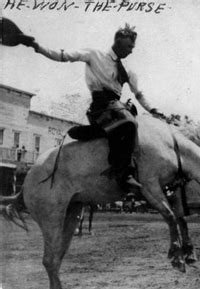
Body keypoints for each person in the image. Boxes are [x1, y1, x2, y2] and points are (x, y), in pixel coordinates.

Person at [23, 24, 164, 193]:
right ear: (118, 42)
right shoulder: (94, 55)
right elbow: (62, 56)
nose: (131, 51)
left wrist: (152, 110)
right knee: (129, 123)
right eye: (129, 46)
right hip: (100, 106)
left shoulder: (128, 71)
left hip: (116, 106)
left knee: (133, 122)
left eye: (132, 47)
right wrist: (36, 46)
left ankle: (95, 132)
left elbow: (138, 94)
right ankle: (122, 173)